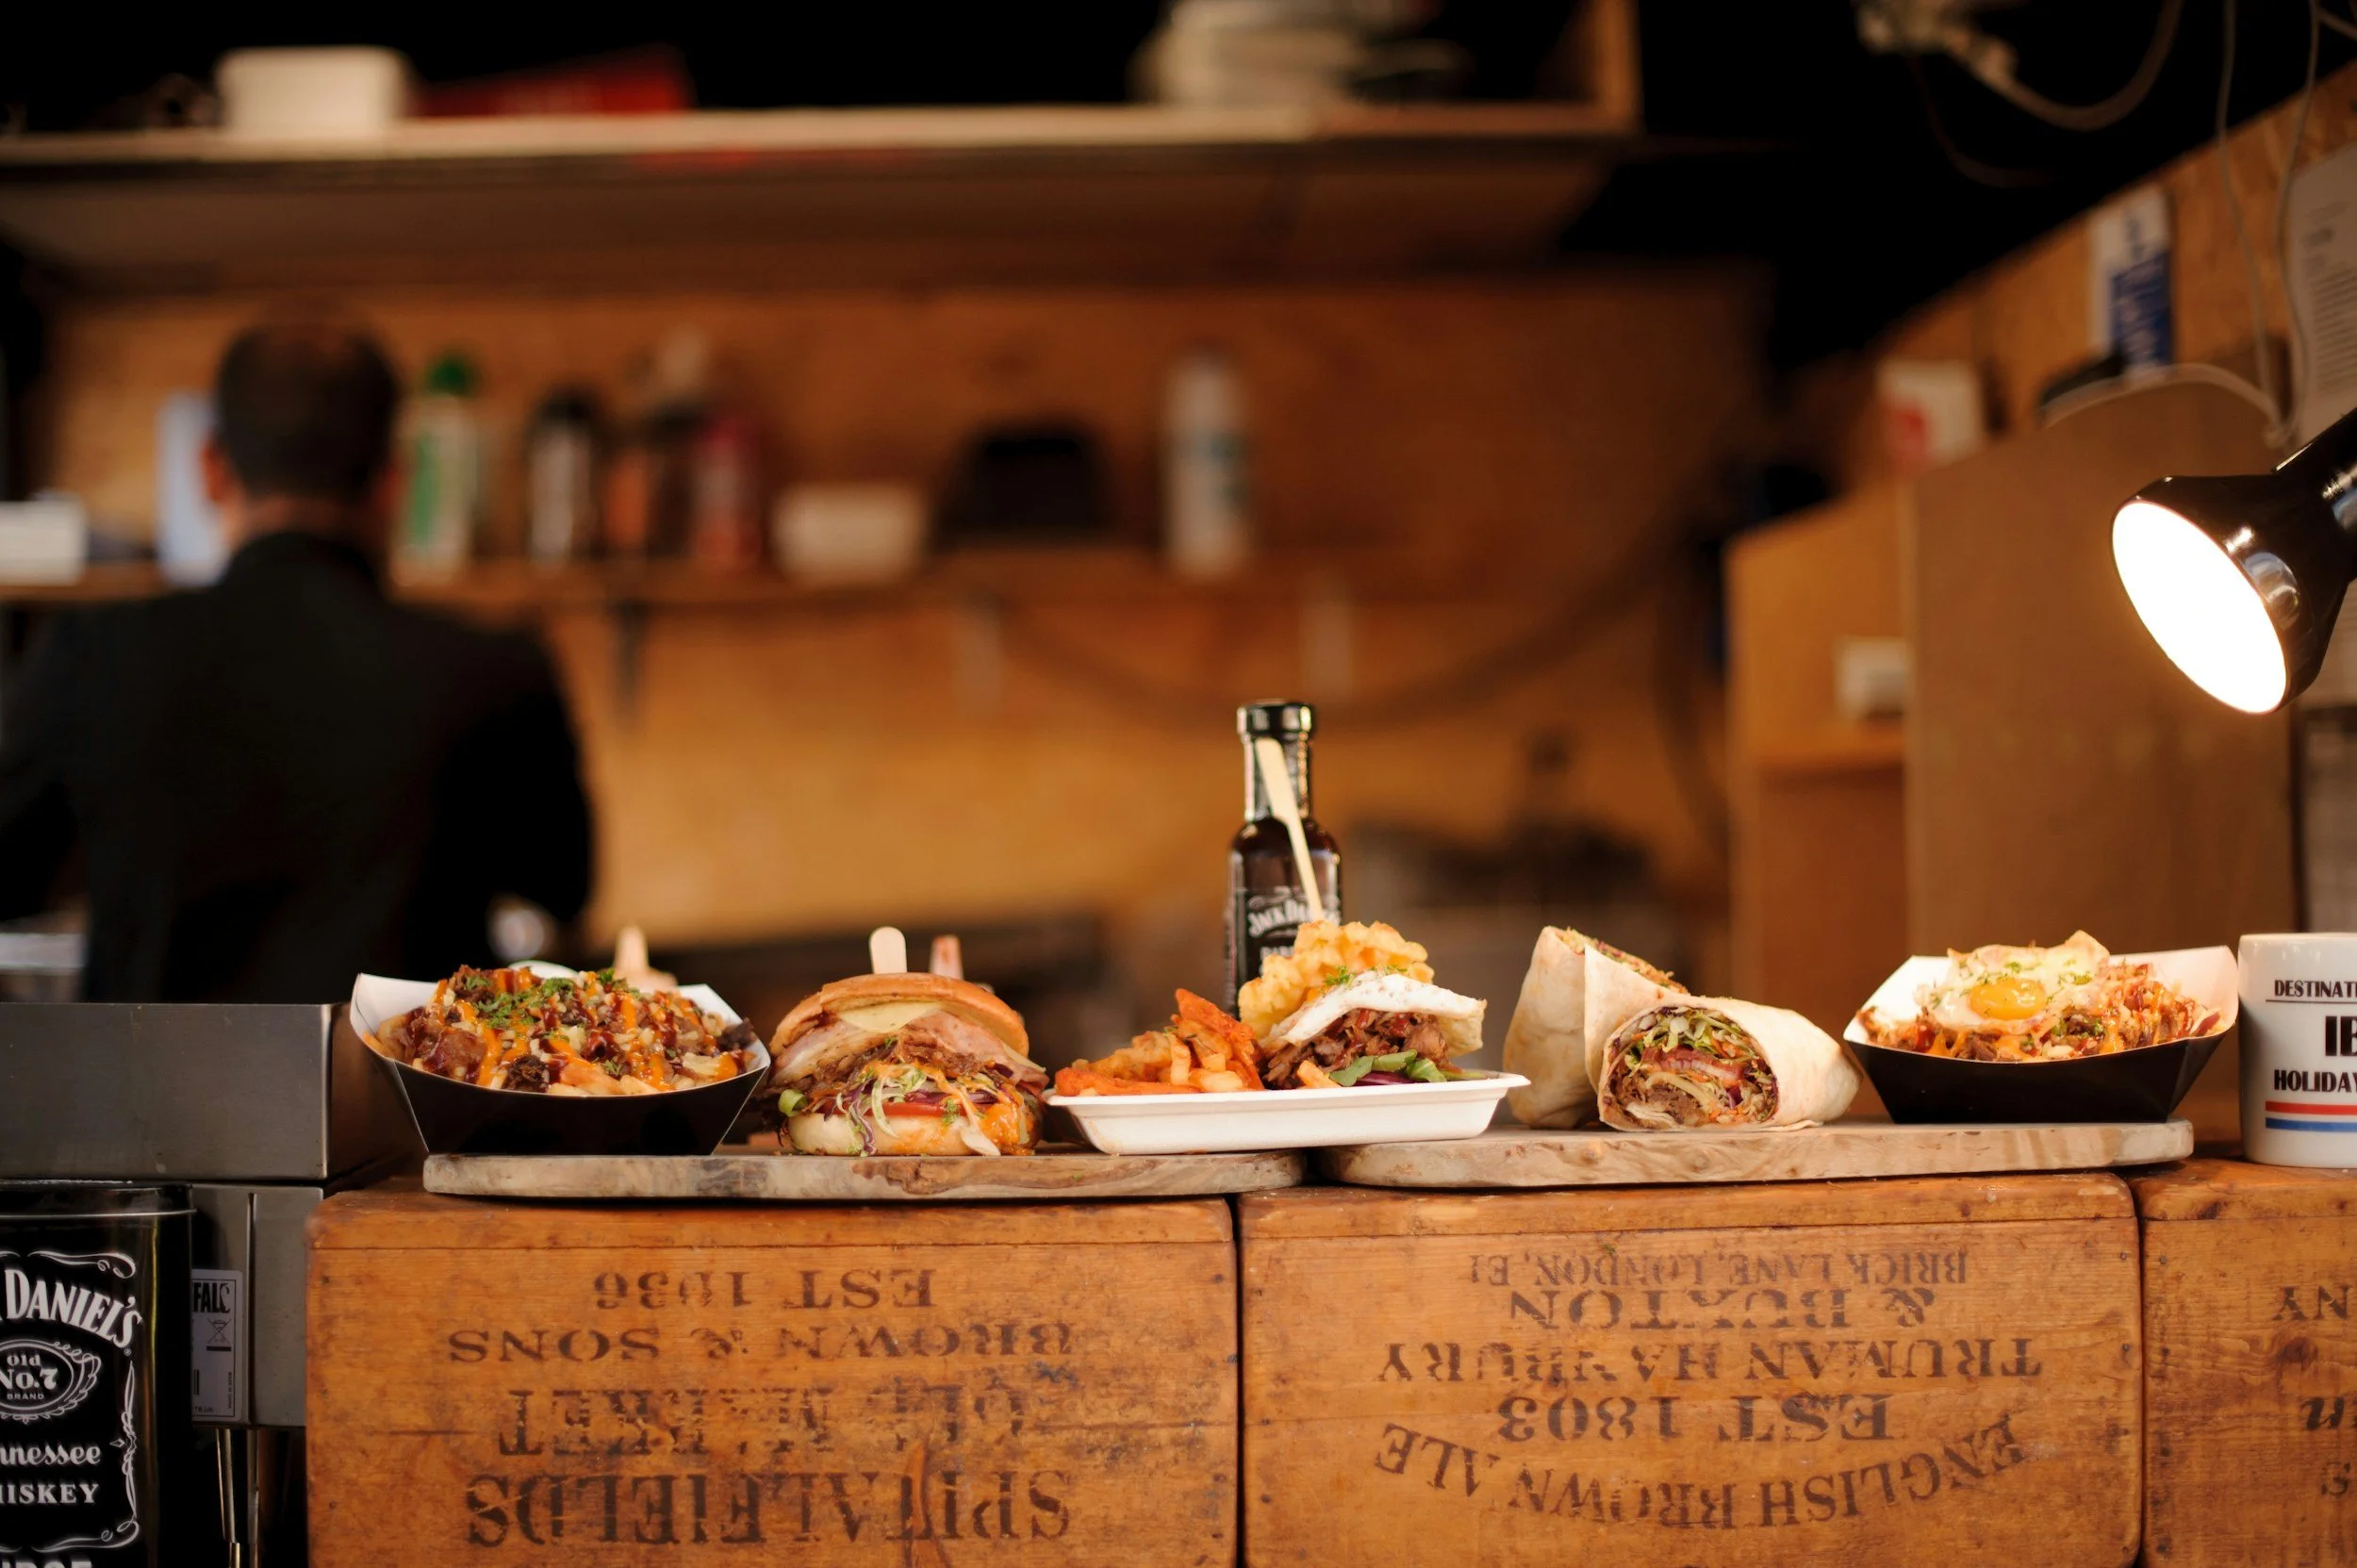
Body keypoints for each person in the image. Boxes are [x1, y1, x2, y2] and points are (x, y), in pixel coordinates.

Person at [0, 316, 592, 1001]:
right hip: (408, 1102)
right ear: (394, 482)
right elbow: (565, 887)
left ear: (211, 467)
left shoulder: (90, 660)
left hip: (149, 1106)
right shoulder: (496, 671)